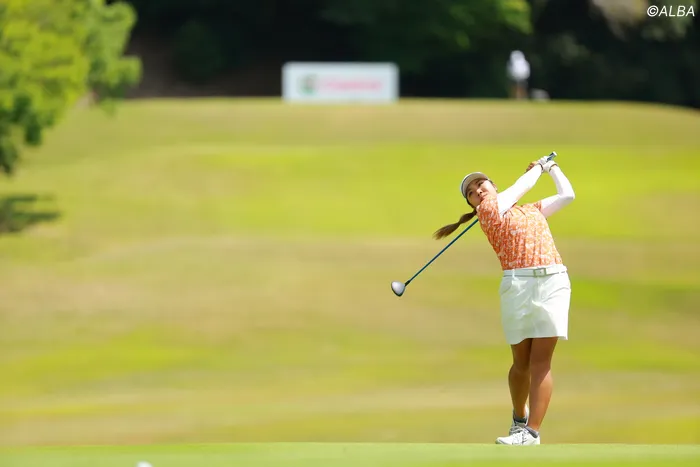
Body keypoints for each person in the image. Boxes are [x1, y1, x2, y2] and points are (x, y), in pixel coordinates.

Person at [433, 155, 575, 445]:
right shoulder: (487, 211)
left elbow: (567, 195)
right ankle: (519, 417)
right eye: (471, 192)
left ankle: (531, 433)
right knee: (521, 363)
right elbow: (520, 187)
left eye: (481, 184)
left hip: (553, 281)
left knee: (541, 362)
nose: (478, 191)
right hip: (517, 284)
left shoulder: (532, 210)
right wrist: (539, 167)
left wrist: (552, 168)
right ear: (472, 204)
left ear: (493, 185)